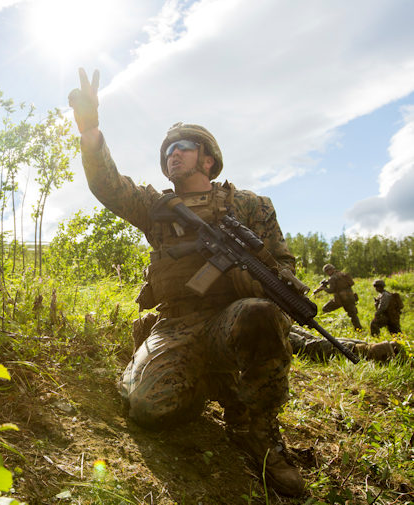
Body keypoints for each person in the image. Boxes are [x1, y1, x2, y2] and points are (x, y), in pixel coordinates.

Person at [69, 68, 305, 496]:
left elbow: (285, 270)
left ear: (208, 159)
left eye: (182, 148)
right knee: (149, 411)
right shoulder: (156, 206)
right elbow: (107, 185)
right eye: (166, 152)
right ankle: (199, 377)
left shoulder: (251, 206)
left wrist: (251, 277)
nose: (171, 155)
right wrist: (90, 130)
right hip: (176, 324)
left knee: (261, 314)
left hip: (229, 320)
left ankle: (257, 431)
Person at [313, 264, 362, 330]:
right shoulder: (342, 274)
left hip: (341, 300)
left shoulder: (332, 278)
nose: (328, 273)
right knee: (353, 315)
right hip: (350, 297)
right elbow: (350, 283)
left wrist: (323, 288)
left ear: (331, 270)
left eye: (328, 271)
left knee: (325, 309)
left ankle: (329, 323)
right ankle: (358, 328)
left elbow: (331, 290)